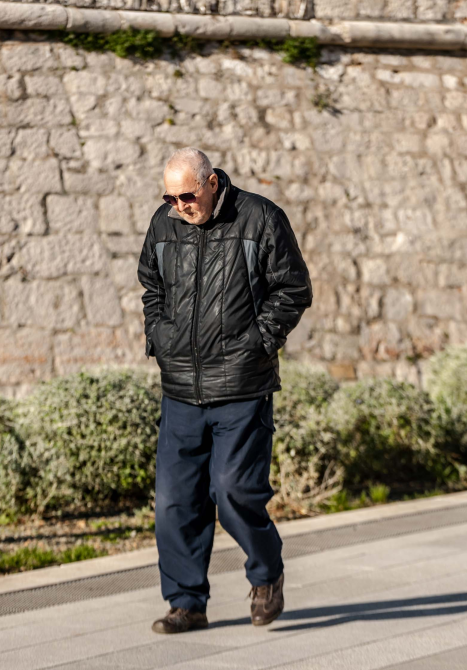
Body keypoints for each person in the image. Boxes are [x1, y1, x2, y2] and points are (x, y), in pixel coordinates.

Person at [137, 147, 313, 634]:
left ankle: (266, 574)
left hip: (241, 384)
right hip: (180, 389)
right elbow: (151, 285)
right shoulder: (164, 224)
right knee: (175, 502)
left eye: (187, 195)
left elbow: (294, 288)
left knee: (234, 491)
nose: (180, 206)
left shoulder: (260, 218)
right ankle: (186, 603)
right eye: (170, 198)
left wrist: (259, 342)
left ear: (212, 182)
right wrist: (159, 334)